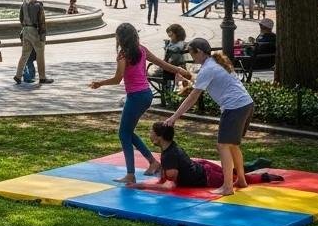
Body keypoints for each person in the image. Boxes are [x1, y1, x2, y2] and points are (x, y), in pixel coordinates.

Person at [89, 23, 189, 185]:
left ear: (121, 39)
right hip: (146, 95)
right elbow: (162, 64)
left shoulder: (123, 55)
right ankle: (152, 162)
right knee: (128, 132)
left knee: (123, 134)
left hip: (136, 96)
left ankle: (130, 174)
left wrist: (100, 83)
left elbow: (117, 79)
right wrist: (180, 70)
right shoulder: (142, 49)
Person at [162, 37, 255, 196]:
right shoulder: (215, 62)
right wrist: (185, 79)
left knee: (223, 145)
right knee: (232, 145)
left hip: (234, 107)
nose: (192, 57)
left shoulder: (208, 68)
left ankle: (227, 187)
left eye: (192, 54)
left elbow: (193, 97)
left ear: (198, 52)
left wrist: (174, 117)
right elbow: (200, 81)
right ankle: (241, 179)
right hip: (246, 104)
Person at [148, 121, 276, 189]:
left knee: (234, 180)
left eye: (151, 132)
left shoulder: (167, 155)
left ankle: (264, 177)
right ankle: (250, 166)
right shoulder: (172, 146)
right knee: (230, 173)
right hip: (203, 167)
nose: (150, 134)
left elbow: (172, 176)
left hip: (206, 176)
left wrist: (160, 173)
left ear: (159, 137)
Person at [14, 0, 52, 85]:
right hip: (35, 31)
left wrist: (25, 27)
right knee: (40, 54)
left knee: (24, 54)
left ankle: (18, 75)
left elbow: (21, 18)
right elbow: (42, 21)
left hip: (26, 30)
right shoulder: (38, 5)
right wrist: (42, 35)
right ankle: (42, 77)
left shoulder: (24, 4)